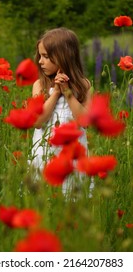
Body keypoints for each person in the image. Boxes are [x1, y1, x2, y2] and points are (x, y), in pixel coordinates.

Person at [30, 27, 93, 196]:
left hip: (72, 155)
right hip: (45, 153)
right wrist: (56, 92)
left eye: (46, 57)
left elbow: (84, 121)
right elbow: (37, 121)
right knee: (45, 198)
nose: (40, 61)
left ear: (63, 57)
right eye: (40, 56)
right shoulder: (40, 85)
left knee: (71, 198)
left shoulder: (83, 85)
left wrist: (67, 93)